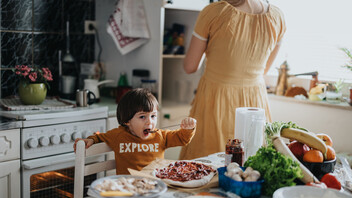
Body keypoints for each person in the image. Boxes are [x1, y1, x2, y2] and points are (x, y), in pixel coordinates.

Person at [179, 0, 286, 160]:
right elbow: (264, 70)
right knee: (251, 167)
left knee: (207, 169)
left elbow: (190, 66)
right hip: (255, 103)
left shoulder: (214, 12)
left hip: (216, 101)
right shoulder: (278, 16)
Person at [74, 88, 196, 174]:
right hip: (128, 190)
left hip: (155, 187)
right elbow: (100, 137)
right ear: (127, 121)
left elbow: (182, 138)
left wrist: (188, 128)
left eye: (153, 116)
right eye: (142, 117)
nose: (149, 122)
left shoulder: (161, 136)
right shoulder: (118, 135)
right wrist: (90, 140)